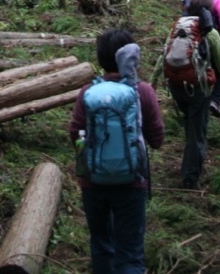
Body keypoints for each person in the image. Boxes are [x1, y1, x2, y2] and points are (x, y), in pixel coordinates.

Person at [69, 29, 165, 274]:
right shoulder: (142, 91)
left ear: (101, 59)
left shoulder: (87, 93)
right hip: (132, 181)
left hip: (93, 181)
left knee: (102, 245)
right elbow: (157, 139)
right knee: (130, 253)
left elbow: (75, 133)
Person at [152, 2, 220, 191]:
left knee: (191, 127)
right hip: (198, 88)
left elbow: (163, 54)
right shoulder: (209, 32)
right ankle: (190, 179)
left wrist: (154, 79)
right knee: (197, 133)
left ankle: (189, 167)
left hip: (176, 86)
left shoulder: (178, 28)